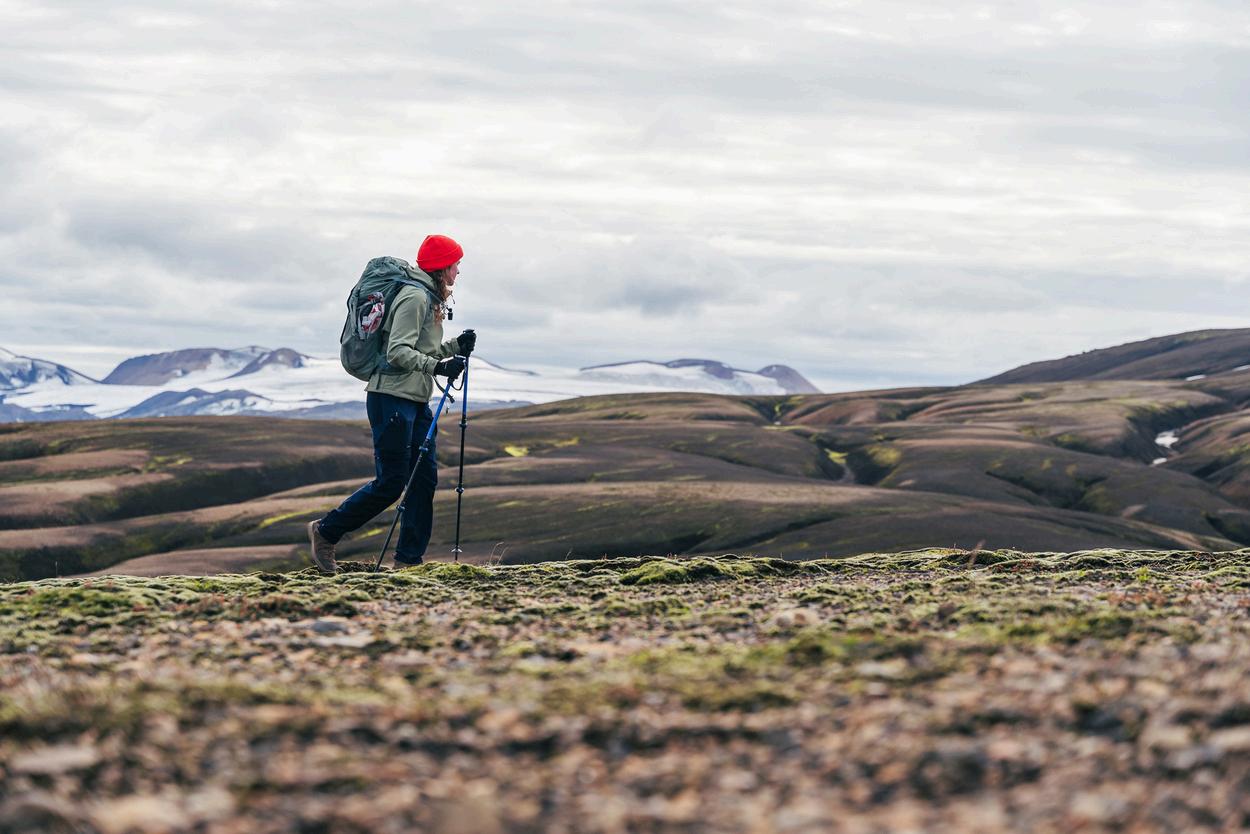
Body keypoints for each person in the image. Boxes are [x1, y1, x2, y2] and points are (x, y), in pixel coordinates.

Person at [307, 234, 476, 573]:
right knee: (392, 483)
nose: (458, 270)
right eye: (455, 264)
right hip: (391, 399)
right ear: (442, 267)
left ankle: (408, 562)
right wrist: (438, 367)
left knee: (423, 481)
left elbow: (422, 351)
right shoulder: (415, 297)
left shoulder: (429, 297)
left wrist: (454, 347)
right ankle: (325, 531)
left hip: (414, 401)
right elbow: (398, 352)